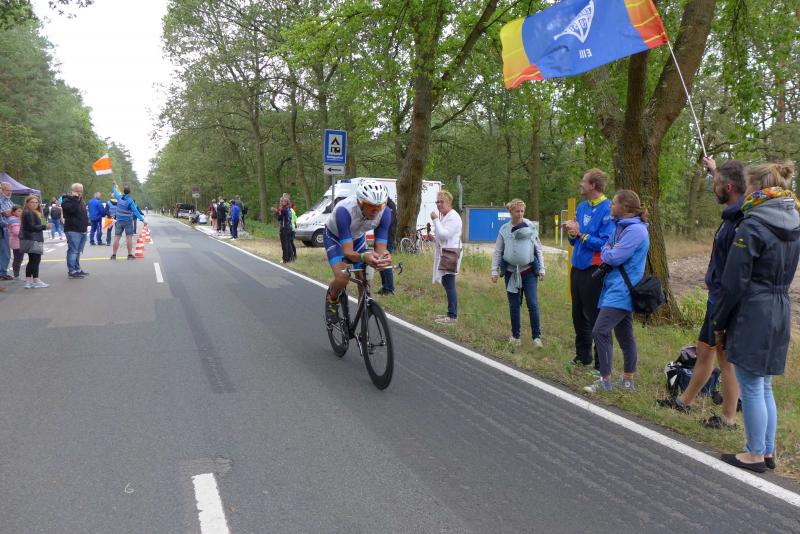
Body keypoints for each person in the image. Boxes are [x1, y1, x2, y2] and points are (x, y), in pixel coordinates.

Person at [713, 162, 799, 473]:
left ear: (758, 188)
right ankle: (767, 450)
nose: (745, 191)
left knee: (750, 384)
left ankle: (754, 453)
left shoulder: (752, 225)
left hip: (754, 308)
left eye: (748, 186)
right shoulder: (793, 221)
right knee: (763, 384)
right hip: (780, 305)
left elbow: (734, 281)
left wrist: (720, 319)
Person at [657, 157, 744, 429]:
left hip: (725, 301)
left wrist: (725, 302)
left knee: (725, 359)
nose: (712, 187)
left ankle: (729, 417)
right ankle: (684, 402)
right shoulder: (730, 214)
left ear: (729, 188)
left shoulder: (740, 221)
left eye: (715, 183)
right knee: (705, 351)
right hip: (715, 298)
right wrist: (715, 170)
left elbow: (736, 270)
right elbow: (724, 182)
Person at [584, 190, 649, 393]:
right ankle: (627, 381)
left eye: (613, 203)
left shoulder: (636, 231)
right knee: (625, 335)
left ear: (625, 207)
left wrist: (608, 251)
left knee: (600, 331)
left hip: (622, 290)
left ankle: (605, 381)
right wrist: (608, 249)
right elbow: (607, 246)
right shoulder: (621, 227)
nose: (610, 206)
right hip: (614, 286)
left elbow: (613, 257)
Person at [564, 169, 616, 371]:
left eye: (583, 181)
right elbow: (574, 240)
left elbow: (605, 244)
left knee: (596, 317)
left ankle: (601, 364)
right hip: (577, 267)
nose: (580, 184)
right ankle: (582, 356)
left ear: (593, 185)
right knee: (578, 315)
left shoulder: (608, 209)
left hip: (594, 270)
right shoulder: (581, 206)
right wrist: (572, 233)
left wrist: (580, 235)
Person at [324, 180, 392, 323]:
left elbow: (381, 248)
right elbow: (348, 252)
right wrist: (363, 256)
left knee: (364, 280)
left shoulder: (385, 213)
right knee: (343, 277)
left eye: (379, 206)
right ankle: (332, 299)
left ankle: (363, 322)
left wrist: (382, 258)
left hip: (357, 237)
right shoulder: (344, 211)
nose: (376, 210)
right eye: (371, 206)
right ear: (360, 203)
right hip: (335, 238)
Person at [491, 199, 546, 347]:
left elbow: (538, 248)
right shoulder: (504, 229)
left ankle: (536, 337)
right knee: (514, 305)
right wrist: (494, 271)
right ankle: (516, 337)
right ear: (511, 212)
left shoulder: (530, 227)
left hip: (528, 271)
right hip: (511, 272)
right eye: (517, 211)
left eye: (522, 211)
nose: (520, 214)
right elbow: (498, 251)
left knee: (532, 303)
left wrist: (542, 268)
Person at [430, 190, 462, 325]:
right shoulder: (445, 216)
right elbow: (441, 235)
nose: (439, 204)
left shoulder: (453, 216)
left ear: (449, 202)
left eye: (441, 202)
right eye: (437, 202)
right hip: (446, 252)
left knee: (449, 283)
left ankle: (452, 316)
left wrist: (435, 220)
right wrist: (433, 237)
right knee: (446, 282)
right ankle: (451, 313)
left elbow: (444, 235)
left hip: (451, 252)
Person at [20, 195, 52, 288]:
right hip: (33, 238)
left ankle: (29, 281)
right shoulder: (28, 213)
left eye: (36, 202)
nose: (34, 204)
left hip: (32, 238)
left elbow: (43, 223)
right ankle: (35, 280)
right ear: (27, 203)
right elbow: (31, 227)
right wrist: (45, 226)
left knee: (33, 260)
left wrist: (44, 222)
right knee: (35, 260)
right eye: (32, 202)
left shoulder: (35, 212)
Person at [110, 181, 147, 260]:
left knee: (117, 237)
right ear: (129, 192)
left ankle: (114, 255)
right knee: (129, 238)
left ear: (124, 191)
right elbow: (135, 211)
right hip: (128, 222)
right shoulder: (130, 201)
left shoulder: (119, 197)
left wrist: (115, 185)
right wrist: (142, 220)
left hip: (119, 221)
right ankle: (129, 255)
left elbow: (115, 191)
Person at [61, 183, 89, 279]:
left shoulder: (80, 200)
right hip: (73, 229)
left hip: (82, 229)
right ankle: (72, 271)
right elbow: (72, 210)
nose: (80, 193)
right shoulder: (66, 200)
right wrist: (75, 198)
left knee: (78, 251)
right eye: (78, 191)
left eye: (81, 191)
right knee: (73, 251)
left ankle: (77, 269)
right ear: (73, 191)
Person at [378, 196, 398, 296]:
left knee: (386, 262)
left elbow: (389, 221)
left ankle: (390, 288)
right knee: (380, 261)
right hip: (380, 238)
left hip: (388, 238)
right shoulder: (381, 204)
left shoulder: (390, 205)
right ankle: (384, 286)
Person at [0, 181, 14, 281]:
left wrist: (10, 213)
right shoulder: (1, 200)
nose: (9, 192)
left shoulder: (9, 201)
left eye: (10, 190)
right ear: (2, 190)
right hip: (3, 228)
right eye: (7, 190)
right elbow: (4, 214)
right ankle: (2, 273)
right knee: (5, 252)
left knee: (5, 252)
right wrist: (7, 213)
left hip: (8, 228)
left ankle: (2, 272)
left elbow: (12, 212)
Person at [272, 196, 294, 263]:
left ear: (285, 202)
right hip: (289, 227)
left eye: (282, 201)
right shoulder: (289, 209)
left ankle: (285, 259)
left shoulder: (284, 209)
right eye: (280, 201)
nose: (280, 203)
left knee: (285, 244)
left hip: (284, 228)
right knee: (288, 243)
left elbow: (279, 218)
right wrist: (278, 211)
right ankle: (290, 258)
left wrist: (277, 212)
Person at [7, 205, 23, 279]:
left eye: (21, 211)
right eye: (18, 211)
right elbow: (16, 232)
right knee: (18, 259)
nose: (20, 212)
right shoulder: (14, 220)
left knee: (18, 258)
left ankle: (16, 274)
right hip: (17, 242)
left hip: (18, 242)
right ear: (13, 212)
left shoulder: (17, 219)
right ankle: (16, 274)